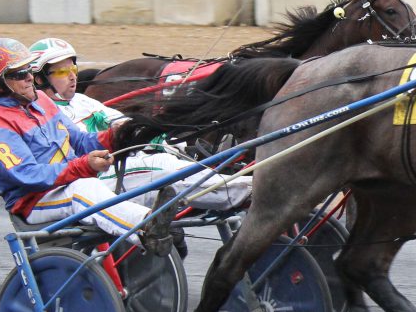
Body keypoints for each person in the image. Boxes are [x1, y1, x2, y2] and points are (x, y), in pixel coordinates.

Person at [0, 37, 175, 256]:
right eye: (20, 74)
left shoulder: (40, 99)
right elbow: (29, 175)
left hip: (67, 183)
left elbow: (78, 140)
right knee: (83, 190)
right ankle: (146, 228)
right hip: (34, 201)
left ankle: (150, 228)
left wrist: (118, 136)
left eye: (29, 69)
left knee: (118, 182)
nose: (31, 77)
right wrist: (83, 166)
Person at [28, 37, 253, 211]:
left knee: (178, 157)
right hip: (93, 180)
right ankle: (249, 190)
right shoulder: (43, 113)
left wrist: (173, 143)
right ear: (39, 78)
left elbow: (124, 125)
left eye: (73, 69)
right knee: (162, 165)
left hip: (122, 168)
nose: (72, 77)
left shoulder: (83, 100)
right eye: (61, 71)